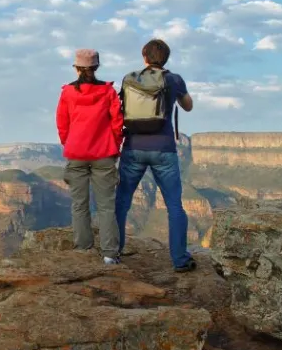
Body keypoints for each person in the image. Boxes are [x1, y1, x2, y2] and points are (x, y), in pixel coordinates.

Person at [115, 38, 196, 272]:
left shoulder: (130, 78)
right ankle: (180, 259)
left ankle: (115, 252)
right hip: (163, 149)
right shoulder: (173, 79)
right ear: (166, 59)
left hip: (133, 146)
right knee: (174, 206)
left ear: (144, 57)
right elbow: (188, 106)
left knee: (122, 203)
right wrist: (179, 94)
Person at [56, 48, 124, 265]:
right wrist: (114, 144)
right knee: (106, 206)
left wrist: (71, 143)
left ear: (76, 68)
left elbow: (62, 123)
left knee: (79, 204)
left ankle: (84, 248)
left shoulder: (67, 92)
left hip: (76, 154)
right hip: (104, 153)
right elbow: (117, 122)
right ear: (96, 68)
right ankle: (109, 254)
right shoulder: (108, 92)